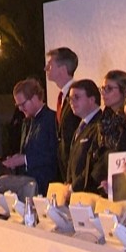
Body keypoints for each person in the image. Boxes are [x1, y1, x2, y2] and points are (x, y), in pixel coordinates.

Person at [0, 79, 59, 196]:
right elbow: (27, 150)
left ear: (35, 98)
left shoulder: (52, 119)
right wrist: (17, 159)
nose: (20, 109)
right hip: (26, 184)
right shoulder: (27, 121)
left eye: (23, 104)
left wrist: (25, 159)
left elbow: (54, 155)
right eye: (18, 105)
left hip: (45, 185)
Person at [64, 79, 105, 192]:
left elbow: (94, 165)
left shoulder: (100, 125)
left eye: (76, 97)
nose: (71, 102)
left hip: (90, 192)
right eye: (69, 99)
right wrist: (69, 184)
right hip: (76, 192)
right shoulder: (81, 126)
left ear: (92, 99)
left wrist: (74, 187)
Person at [46, 47, 80, 178]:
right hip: (64, 168)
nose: (46, 68)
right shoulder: (62, 96)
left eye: (50, 65)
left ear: (62, 69)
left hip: (75, 167)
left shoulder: (77, 95)